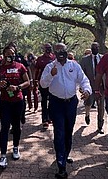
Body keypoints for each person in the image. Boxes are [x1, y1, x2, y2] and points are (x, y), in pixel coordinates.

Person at [40, 43, 91, 179]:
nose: (60, 52)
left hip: (71, 103)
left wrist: (86, 90)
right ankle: (61, 165)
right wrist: (51, 75)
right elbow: (43, 84)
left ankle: (65, 154)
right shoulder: (50, 67)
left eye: (62, 50)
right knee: (59, 133)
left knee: (69, 131)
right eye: (57, 51)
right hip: (56, 104)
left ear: (66, 51)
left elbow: (84, 80)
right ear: (54, 53)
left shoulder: (74, 65)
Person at [0, 46, 30, 168]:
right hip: (5, 102)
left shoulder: (20, 66)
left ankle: (15, 147)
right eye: (7, 54)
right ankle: (3, 155)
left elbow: (27, 82)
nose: (10, 56)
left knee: (17, 126)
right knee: (4, 127)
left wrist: (17, 87)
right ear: (3, 55)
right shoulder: (0, 68)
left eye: (12, 53)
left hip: (18, 101)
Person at [80, 42, 105, 133]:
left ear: (99, 48)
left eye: (96, 47)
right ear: (91, 48)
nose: (95, 49)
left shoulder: (103, 58)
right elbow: (81, 74)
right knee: (88, 103)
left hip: (101, 87)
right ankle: (87, 114)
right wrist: (82, 87)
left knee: (101, 106)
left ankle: (100, 126)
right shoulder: (85, 60)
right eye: (93, 47)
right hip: (89, 86)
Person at [35, 43, 55, 129]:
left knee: (52, 100)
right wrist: (35, 80)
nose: (48, 49)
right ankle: (44, 120)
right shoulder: (40, 59)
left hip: (53, 83)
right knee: (44, 101)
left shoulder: (54, 57)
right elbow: (37, 70)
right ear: (44, 49)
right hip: (43, 83)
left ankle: (50, 117)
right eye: (46, 48)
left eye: (49, 48)